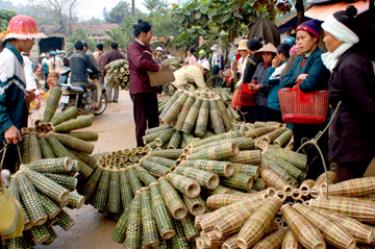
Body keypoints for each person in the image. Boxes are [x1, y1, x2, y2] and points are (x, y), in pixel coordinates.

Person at [322, 6, 375, 182]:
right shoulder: (349, 60)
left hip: (352, 143)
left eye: (327, 34)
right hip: (350, 141)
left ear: (340, 36)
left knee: (347, 187)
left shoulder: (350, 65)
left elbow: (367, 106)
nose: (324, 39)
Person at [279, 19, 330, 179]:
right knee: (299, 151)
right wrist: (297, 78)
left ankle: (316, 187)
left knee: (315, 152)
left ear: (315, 38)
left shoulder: (320, 57)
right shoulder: (300, 59)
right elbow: (283, 80)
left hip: (315, 115)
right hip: (299, 114)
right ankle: (301, 184)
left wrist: (299, 81)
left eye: (303, 38)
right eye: (298, 39)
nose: (299, 42)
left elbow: (309, 84)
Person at [0, 15, 45, 173]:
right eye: (31, 38)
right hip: (6, 134)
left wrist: (23, 95)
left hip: (16, 129)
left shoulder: (17, 58)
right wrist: (7, 126)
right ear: (20, 38)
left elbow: (8, 92)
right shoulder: (8, 59)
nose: (33, 42)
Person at [127, 20, 162, 147]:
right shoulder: (132, 47)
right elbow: (140, 62)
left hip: (150, 89)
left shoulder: (147, 47)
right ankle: (140, 150)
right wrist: (157, 67)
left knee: (154, 121)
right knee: (141, 124)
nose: (151, 36)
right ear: (143, 33)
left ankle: (154, 147)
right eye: (150, 33)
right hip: (139, 90)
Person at [249, 43, 277, 122]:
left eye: (268, 54)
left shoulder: (275, 67)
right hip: (257, 99)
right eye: (263, 54)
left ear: (273, 56)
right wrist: (252, 83)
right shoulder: (260, 65)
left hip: (268, 101)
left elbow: (271, 83)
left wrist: (260, 86)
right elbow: (254, 77)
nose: (265, 56)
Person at [69, 40, 100, 108]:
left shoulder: (70, 57)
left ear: (75, 48)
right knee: (94, 87)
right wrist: (97, 71)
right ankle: (94, 104)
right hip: (82, 81)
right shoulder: (85, 56)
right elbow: (92, 67)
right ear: (83, 48)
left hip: (72, 81)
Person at [265, 43, 291, 122]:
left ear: (282, 55)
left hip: (276, 103)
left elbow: (269, 81)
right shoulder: (287, 65)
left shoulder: (284, 67)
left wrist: (273, 67)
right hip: (279, 102)